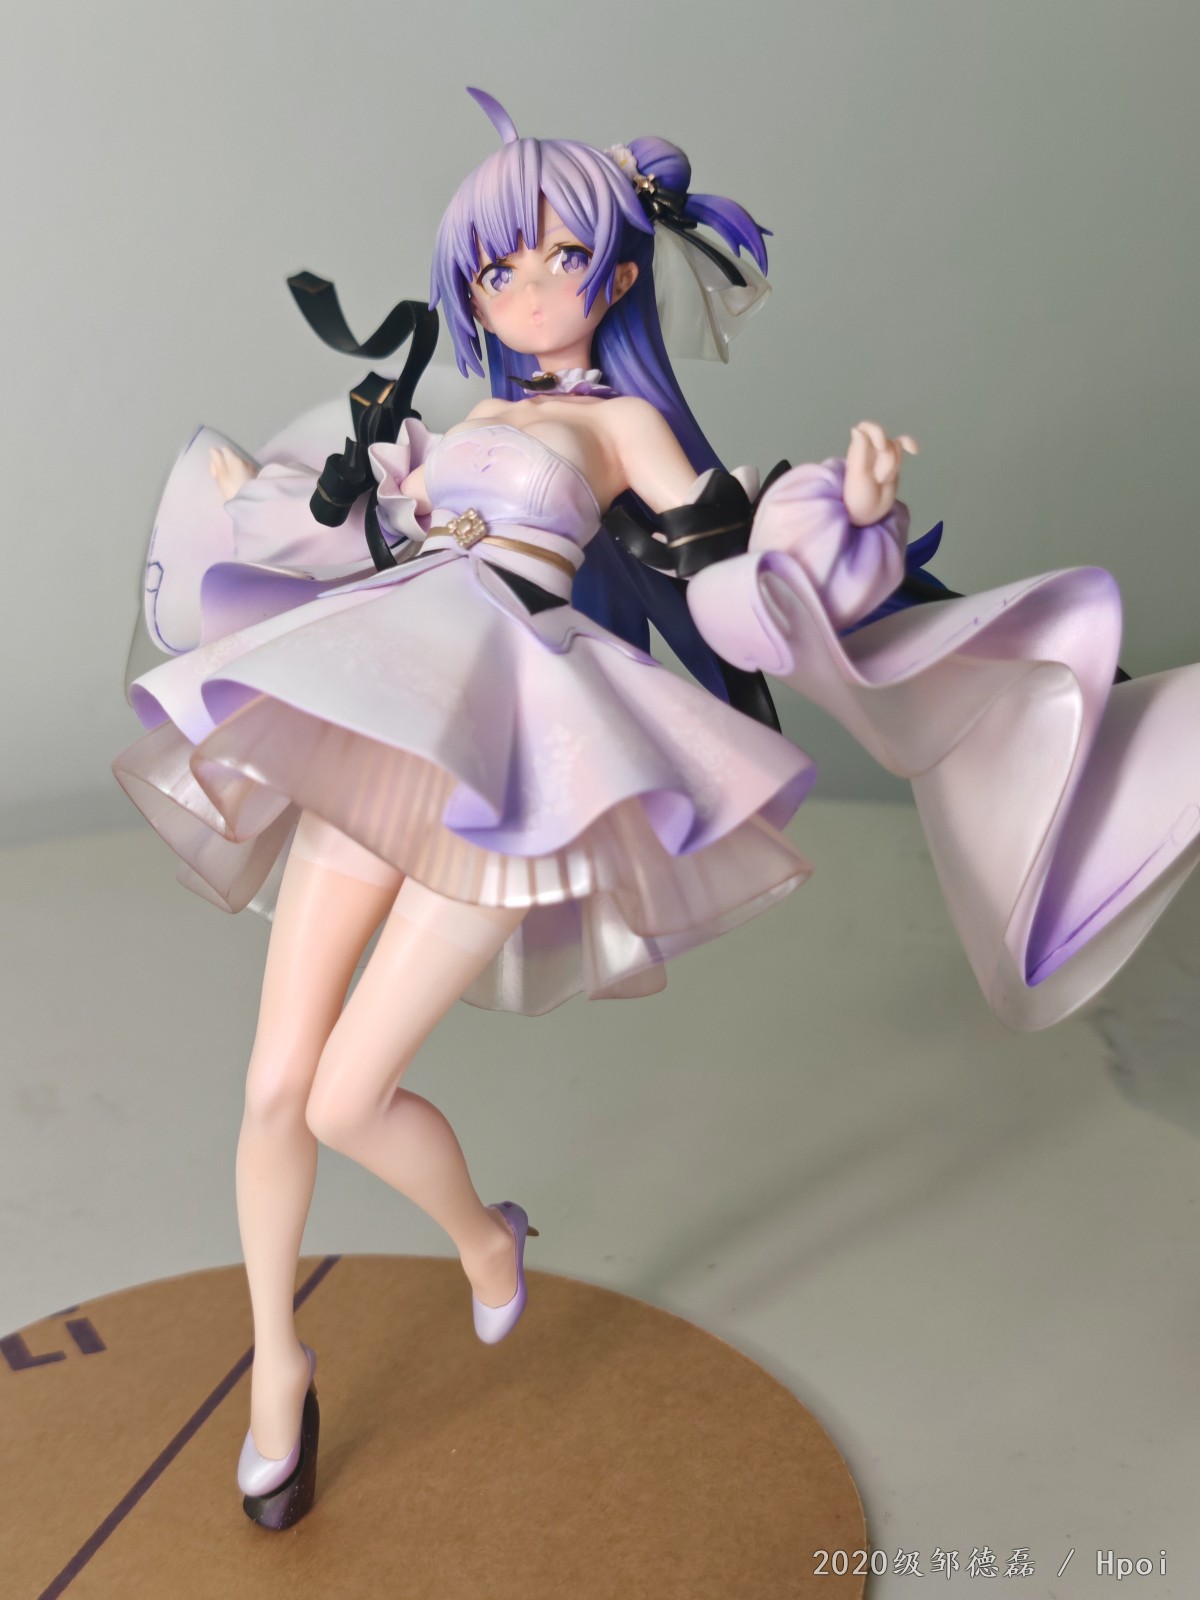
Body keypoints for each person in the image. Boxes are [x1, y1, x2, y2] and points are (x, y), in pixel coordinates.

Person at [113, 88, 1200, 1529]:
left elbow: (725, 595)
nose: (525, 290)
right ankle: (276, 1367)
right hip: (374, 708)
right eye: (496, 267)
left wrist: (837, 530)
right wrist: (282, 503)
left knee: (344, 1097)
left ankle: (482, 1240)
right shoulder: (464, 416)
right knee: (270, 1090)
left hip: (509, 755)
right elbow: (372, 537)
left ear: (617, 271)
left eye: (559, 257)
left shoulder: (626, 426)